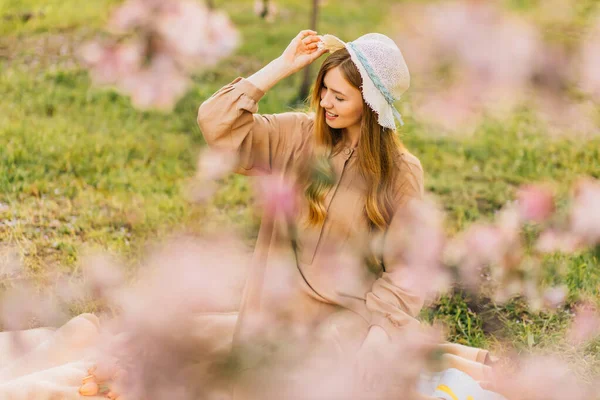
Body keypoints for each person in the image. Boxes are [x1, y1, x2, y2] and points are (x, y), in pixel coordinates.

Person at [196, 30, 504, 400]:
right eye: (323, 89)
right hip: (276, 314)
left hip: (345, 323)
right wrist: (283, 65)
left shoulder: (401, 173)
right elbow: (217, 125)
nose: (325, 101)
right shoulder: (299, 136)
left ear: (371, 104)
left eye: (339, 96)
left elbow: (406, 269)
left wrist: (380, 330)